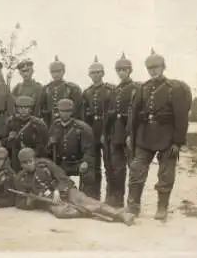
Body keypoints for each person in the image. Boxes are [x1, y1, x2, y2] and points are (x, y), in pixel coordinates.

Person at [126, 48, 190, 221]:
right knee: (136, 170)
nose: (153, 70)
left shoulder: (174, 88)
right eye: (150, 68)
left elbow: (181, 117)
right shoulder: (142, 88)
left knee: (166, 173)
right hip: (145, 136)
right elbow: (135, 115)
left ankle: (162, 207)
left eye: (156, 67)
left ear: (163, 67)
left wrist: (178, 142)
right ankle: (133, 206)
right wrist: (131, 135)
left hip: (167, 138)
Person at [13, 147, 135, 226]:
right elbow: (19, 201)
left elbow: (63, 178)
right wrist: (28, 202)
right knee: (61, 213)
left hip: (66, 191)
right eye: (25, 163)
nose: (28, 165)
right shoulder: (20, 179)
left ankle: (121, 214)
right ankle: (100, 212)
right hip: (50, 201)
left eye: (30, 161)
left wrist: (57, 190)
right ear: (21, 164)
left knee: (85, 201)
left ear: (35, 159)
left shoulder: (46, 164)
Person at [104, 53, 139, 208]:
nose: (121, 72)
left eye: (124, 70)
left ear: (130, 70)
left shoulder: (136, 88)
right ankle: (117, 198)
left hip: (130, 132)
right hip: (116, 133)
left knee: (135, 168)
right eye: (119, 70)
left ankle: (134, 202)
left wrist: (132, 134)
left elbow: (138, 113)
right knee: (117, 168)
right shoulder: (115, 90)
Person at [81, 56, 115, 201]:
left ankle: (111, 197)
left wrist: (106, 132)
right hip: (91, 131)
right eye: (93, 73)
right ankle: (94, 196)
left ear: (103, 73)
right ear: (89, 75)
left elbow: (113, 113)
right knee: (93, 165)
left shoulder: (110, 90)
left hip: (106, 130)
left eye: (98, 72)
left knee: (110, 164)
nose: (95, 75)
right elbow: (84, 115)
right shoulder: (87, 92)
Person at [48, 98, 96, 189]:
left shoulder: (82, 127)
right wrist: (50, 143)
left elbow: (89, 149)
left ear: (71, 112)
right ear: (58, 112)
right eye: (62, 111)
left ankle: (87, 197)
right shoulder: (55, 126)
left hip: (77, 163)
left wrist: (85, 162)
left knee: (88, 174)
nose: (64, 114)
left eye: (67, 111)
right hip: (61, 163)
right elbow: (48, 149)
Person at [5, 95, 49, 172]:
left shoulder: (38, 124)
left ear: (31, 109)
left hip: (33, 159)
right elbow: (4, 143)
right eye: (20, 107)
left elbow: (44, 145)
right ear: (17, 109)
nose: (23, 110)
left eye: (26, 107)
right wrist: (9, 139)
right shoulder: (11, 122)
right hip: (16, 159)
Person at [38, 56, 83, 128]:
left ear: (63, 71)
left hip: (68, 124)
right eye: (53, 72)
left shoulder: (72, 88)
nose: (56, 74)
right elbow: (41, 108)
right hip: (50, 124)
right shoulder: (45, 89)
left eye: (58, 71)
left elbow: (77, 109)